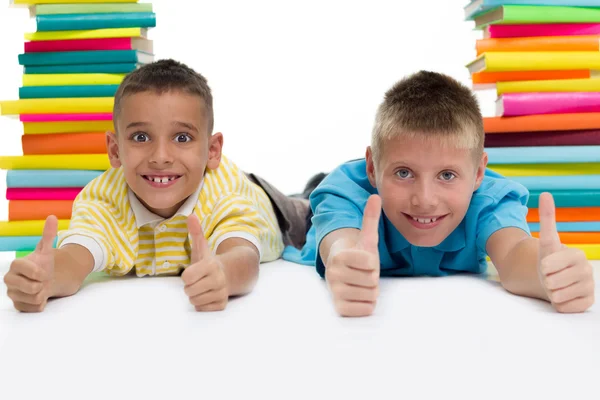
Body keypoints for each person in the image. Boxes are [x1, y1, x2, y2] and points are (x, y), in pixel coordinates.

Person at [4, 59, 309, 313]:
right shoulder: (104, 201)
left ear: (212, 151)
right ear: (114, 150)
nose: (160, 157)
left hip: (277, 210)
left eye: (182, 138)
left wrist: (224, 275)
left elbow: (243, 256)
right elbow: (74, 258)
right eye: (140, 137)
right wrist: (43, 278)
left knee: (310, 210)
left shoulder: (226, 194)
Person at [283, 71, 596, 317]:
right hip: (310, 211)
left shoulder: (490, 200)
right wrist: (345, 264)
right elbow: (341, 243)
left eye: (447, 175)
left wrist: (546, 276)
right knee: (289, 210)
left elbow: (514, 254)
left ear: (477, 174)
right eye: (404, 173)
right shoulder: (345, 194)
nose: (425, 199)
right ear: (373, 168)